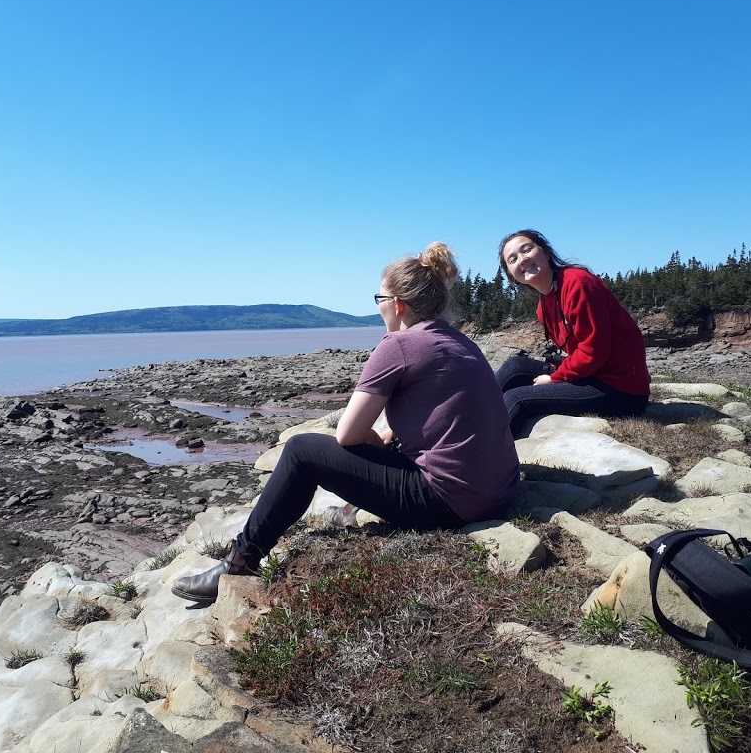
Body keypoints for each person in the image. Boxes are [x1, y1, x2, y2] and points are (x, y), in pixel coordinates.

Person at [172, 242, 521, 605]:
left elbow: (348, 434)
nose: (378, 307)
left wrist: (374, 438)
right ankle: (347, 512)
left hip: (450, 501)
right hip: (499, 493)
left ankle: (240, 561)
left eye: (379, 298)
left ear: (397, 304)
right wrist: (387, 435)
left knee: (300, 451)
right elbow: (445, 417)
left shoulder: (399, 344)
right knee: (384, 441)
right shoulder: (460, 341)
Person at [495, 228, 650, 435]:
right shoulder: (543, 307)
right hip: (593, 374)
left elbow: (594, 351)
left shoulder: (578, 283)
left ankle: (483, 461)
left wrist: (554, 378)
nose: (522, 259)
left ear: (546, 253)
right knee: (515, 366)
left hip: (620, 388)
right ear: (512, 276)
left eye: (527, 250)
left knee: (516, 398)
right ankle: (465, 420)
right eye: (512, 259)